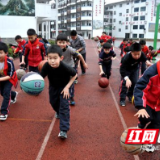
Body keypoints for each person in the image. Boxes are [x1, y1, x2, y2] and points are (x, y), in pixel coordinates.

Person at [40, 45, 77, 139]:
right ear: (47, 58)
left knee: (64, 107)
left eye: (55, 58)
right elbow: (40, 78)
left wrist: (67, 88)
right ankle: (57, 111)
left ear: (61, 58)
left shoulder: (64, 66)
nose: (52, 61)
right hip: (53, 87)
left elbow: (74, 75)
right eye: (50, 58)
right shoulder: (46, 66)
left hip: (65, 87)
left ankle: (64, 130)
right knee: (53, 102)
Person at [133, 60, 160, 152]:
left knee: (157, 123)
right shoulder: (152, 72)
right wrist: (141, 107)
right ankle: (140, 126)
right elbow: (140, 88)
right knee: (145, 118)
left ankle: (148, 141)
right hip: (148, 101)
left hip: (159, 105)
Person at [56, 34, 88, 105]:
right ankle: (61, 96)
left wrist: (84, 63)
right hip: (60, 68)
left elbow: (79, 54)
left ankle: (71, 97)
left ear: (67, 43)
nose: (61, 44)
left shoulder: (69, 49)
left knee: (71, 84)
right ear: (56, 42)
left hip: (70, 68)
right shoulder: (55, 49)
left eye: (63, 43)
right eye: (59, 42)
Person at [119, 43, 152, 107]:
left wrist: (147, 62)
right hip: (126, 70)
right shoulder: (126, 58)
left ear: (141, 52)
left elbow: (144, 58)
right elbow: (122, 70)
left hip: (135, 69)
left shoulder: (141, 54)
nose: (137, 56)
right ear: (131, 52)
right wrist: (127, 78)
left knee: (134, 82)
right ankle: (122, 99)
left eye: (138, 54)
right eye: (135, 54)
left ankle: (130, 95)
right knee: (125, 84)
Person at [0, 42, 18, 121]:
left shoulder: (9, 62)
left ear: (6, 53)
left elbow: (10, 76)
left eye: (0, 53)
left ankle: (4, 112)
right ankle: (13, 94)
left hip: (9, 79)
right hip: (1, 78)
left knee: (6, 93)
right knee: (2, 93)